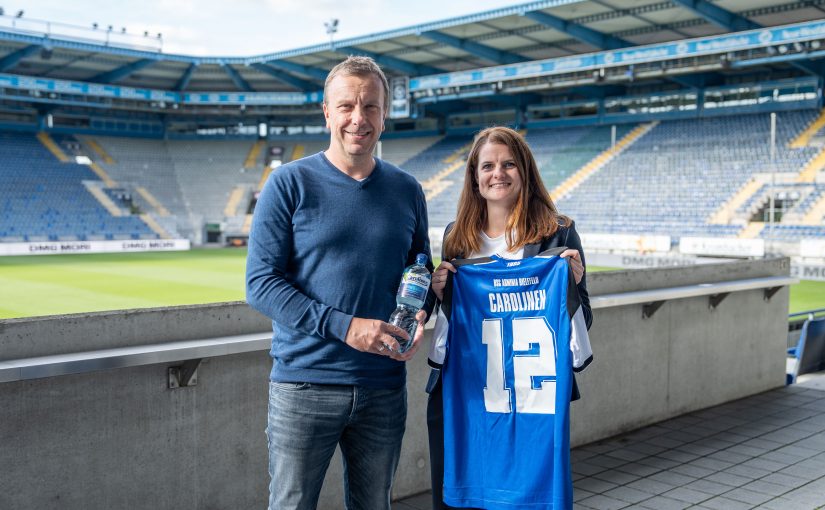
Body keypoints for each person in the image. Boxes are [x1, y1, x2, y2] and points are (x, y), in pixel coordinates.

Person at [246, 55, 433, 510]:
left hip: (384, 385)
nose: (358, 118)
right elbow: (261, 284)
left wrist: (424, 313)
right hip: (304, 385)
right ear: (327, 112)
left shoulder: (407, 189)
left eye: (371, 106)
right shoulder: (288, 183)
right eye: (346, 105)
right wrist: (346, 326)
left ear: (384, 114)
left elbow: (420, 269)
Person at [426, 126, 593, 509]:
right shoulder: (457, 237)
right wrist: (441, 295)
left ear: (525, 171)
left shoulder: (558, 232)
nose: (497, 173)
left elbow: (582, 317)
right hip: (466, 394)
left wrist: (570, 287)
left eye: (508, 164)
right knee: (461, 499)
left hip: (532, 400)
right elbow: (452, 317)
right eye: (487, 166)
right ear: (474, 176)